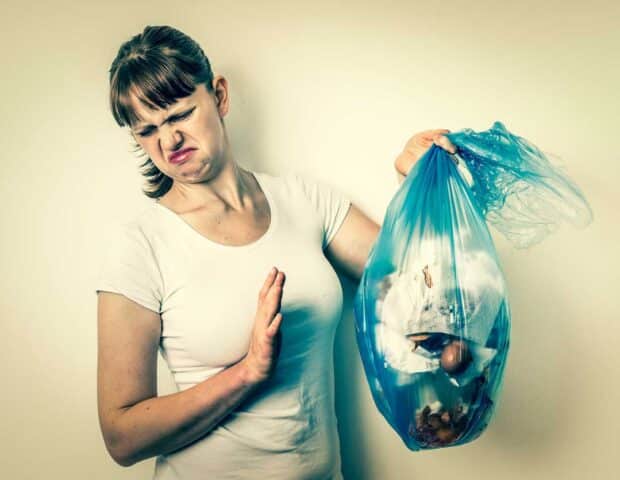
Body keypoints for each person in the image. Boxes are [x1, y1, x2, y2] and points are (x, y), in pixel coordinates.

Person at [95, 25, 457, 479]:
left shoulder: (305, 200)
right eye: (147, 131)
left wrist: (414, 180)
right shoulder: (141, 245)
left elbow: (415, 284)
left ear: (220, 95)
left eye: (180, 115)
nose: (168, 143)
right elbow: (122, 437)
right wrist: (247, 372)